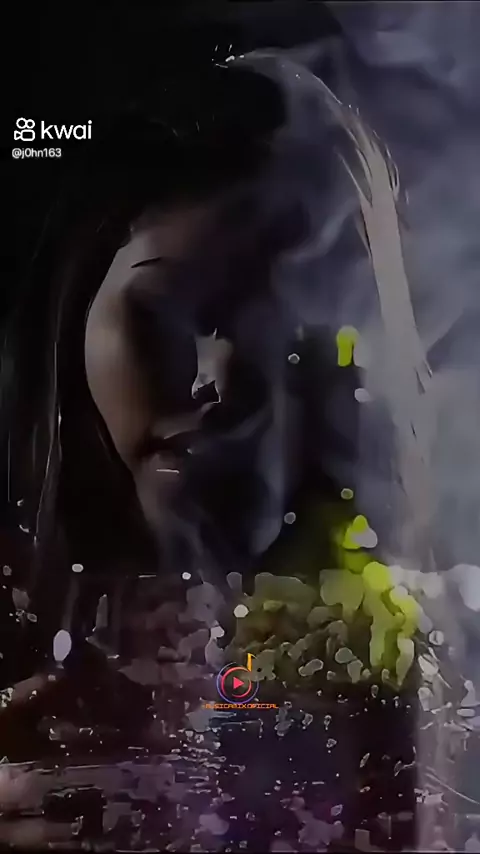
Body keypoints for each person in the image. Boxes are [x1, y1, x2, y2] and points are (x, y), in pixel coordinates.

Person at [2, 60, 417, 851]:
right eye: (166, 308)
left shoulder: (434, 632)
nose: (218, 377)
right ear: (77, 308)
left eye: (270, 315)